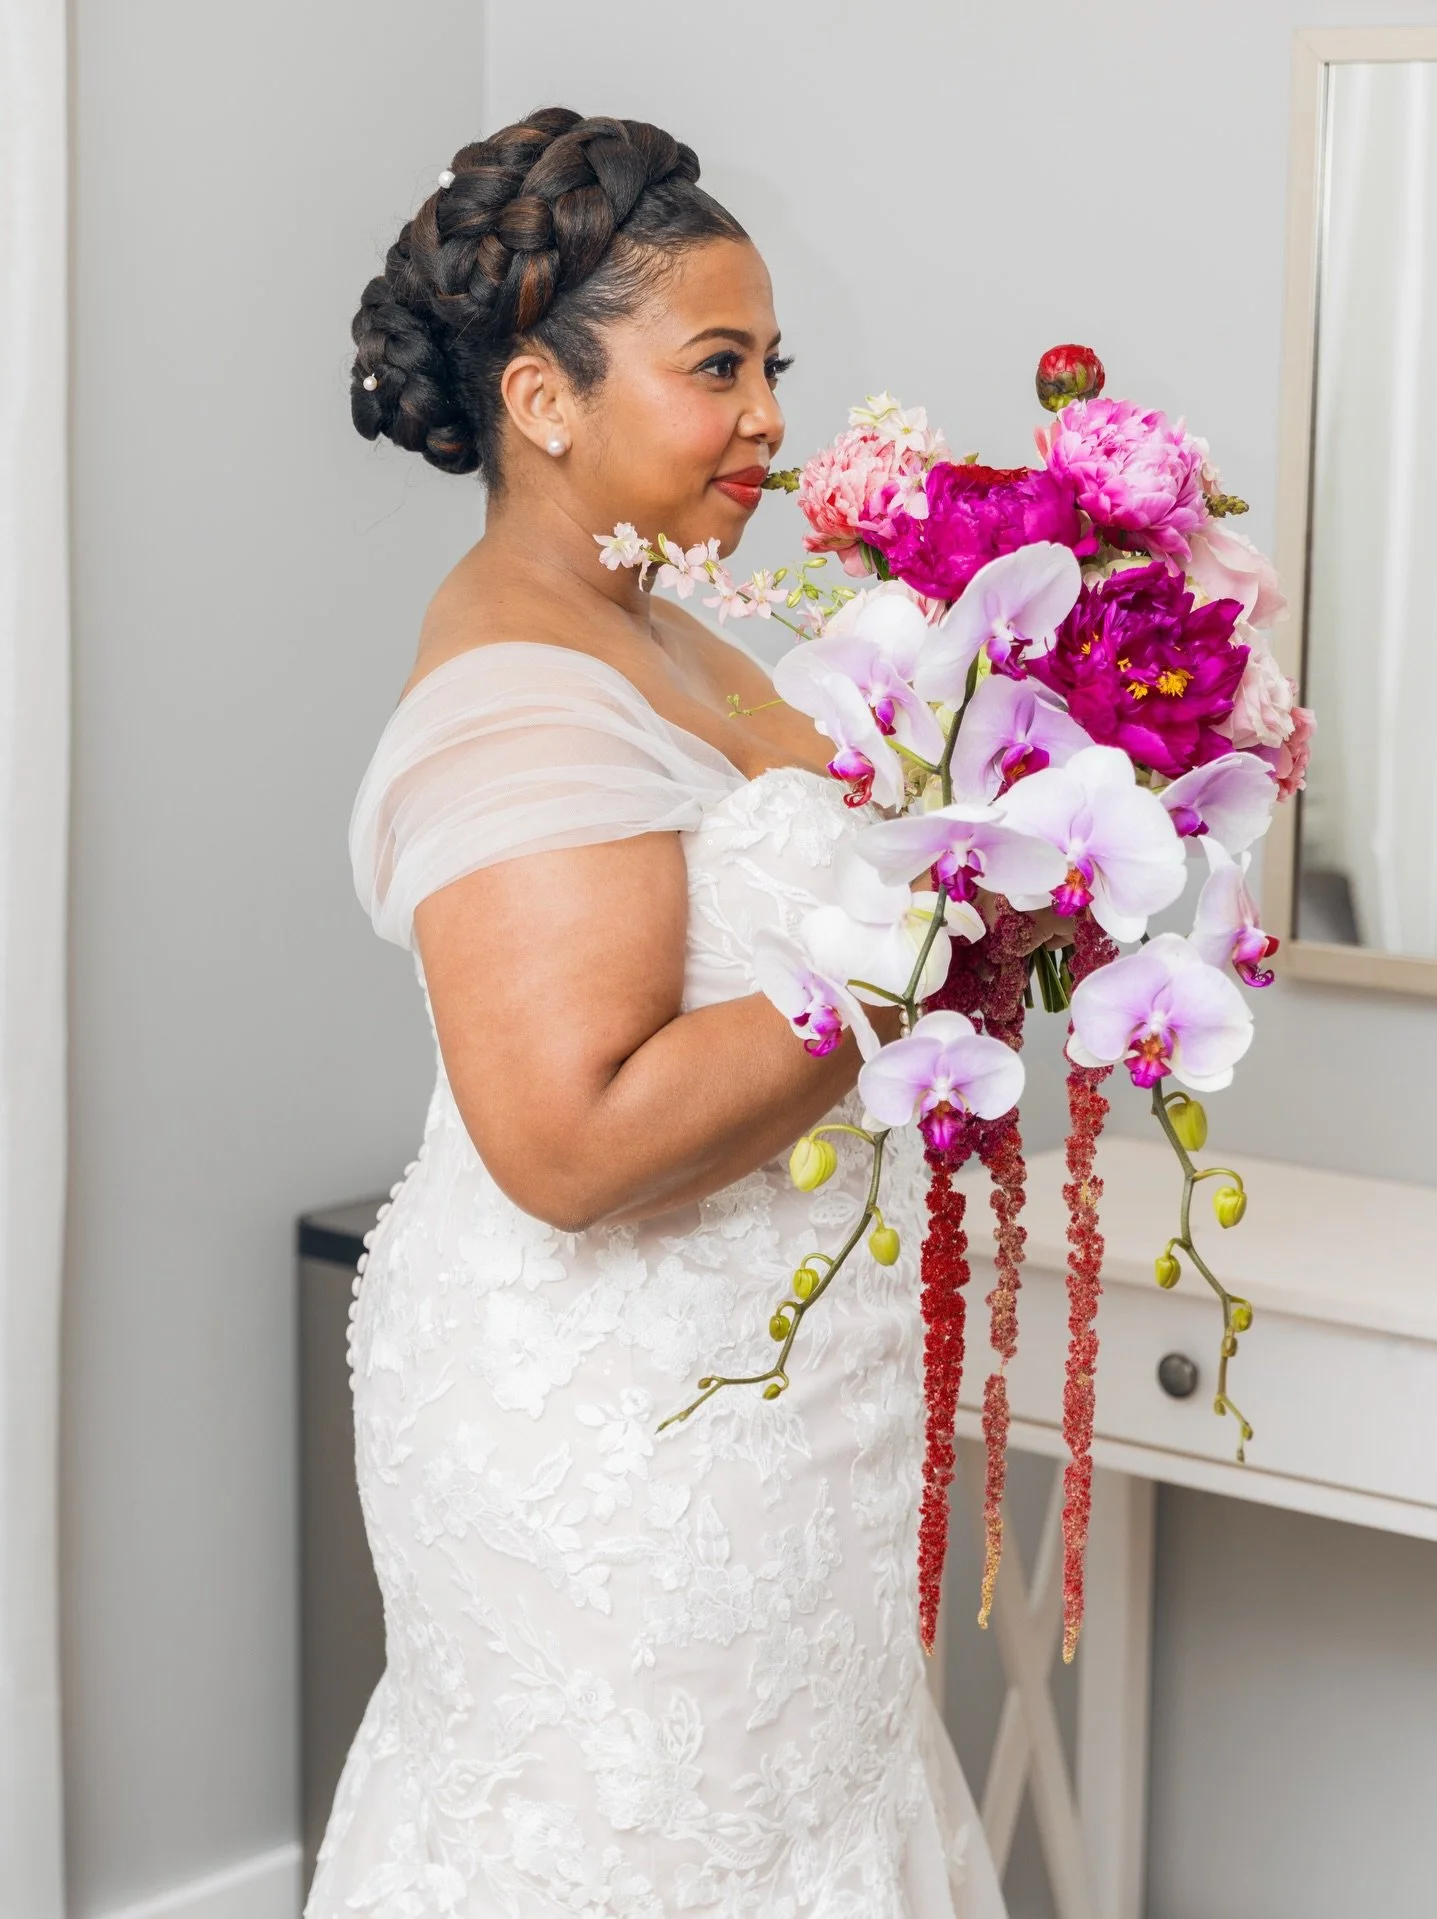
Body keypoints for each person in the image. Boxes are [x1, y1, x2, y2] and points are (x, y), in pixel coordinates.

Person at [310, 105, 1010, 1919]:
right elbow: (573, 1136)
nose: (771, 413)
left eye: (773, 363)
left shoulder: (672, 621)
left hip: (765, 1400)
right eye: (720, 367)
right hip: (625, 1431)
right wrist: (938, 943)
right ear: (543, 400)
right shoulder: (522, 692)